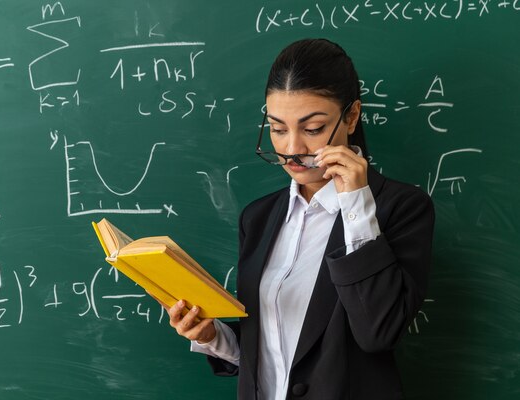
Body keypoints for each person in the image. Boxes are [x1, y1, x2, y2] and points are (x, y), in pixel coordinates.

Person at [165, 38, 435, 399]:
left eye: (312, 129)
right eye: (277, 129)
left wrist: (356, 203)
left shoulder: (400, 208)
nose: (292, 148)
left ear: (351, 116)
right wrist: (213, 337)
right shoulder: (258, 218)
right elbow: (272, 350)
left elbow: (378, 332)